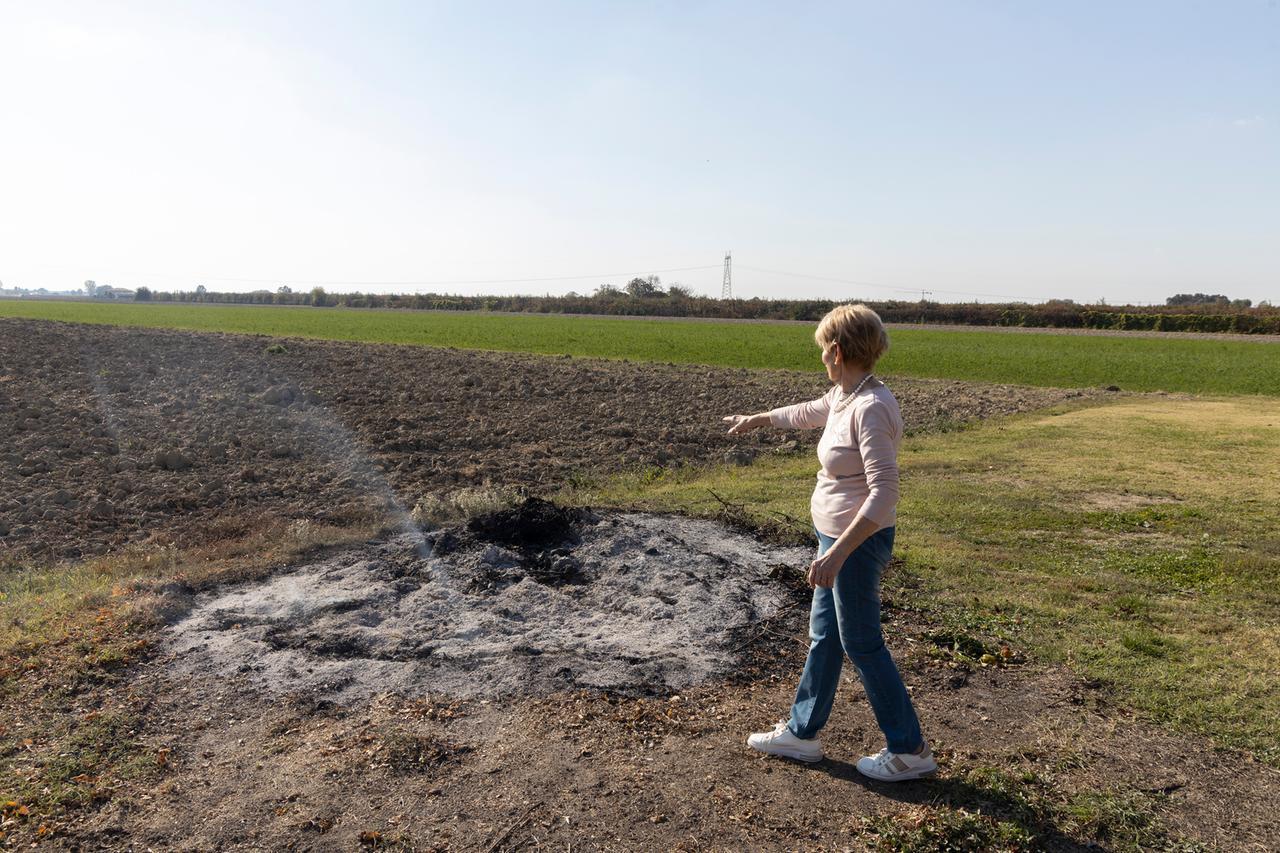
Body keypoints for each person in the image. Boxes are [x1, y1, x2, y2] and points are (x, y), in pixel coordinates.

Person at [722, 303, 935, 782]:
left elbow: (885, 493)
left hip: (855, 544)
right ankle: (802, 733)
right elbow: (806, 412)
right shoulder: (844, 395)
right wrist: (758, 418)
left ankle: (910, 749)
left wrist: (837, 554)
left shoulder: (871, 407)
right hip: (834, 538)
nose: (821, 358)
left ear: (837, 351)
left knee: (861, 643)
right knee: (825, 637)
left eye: (823, 350)